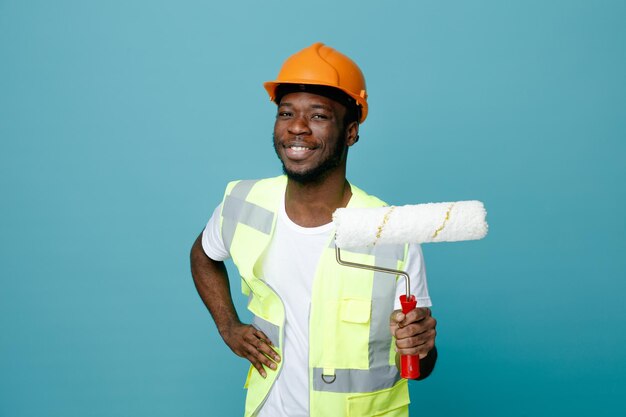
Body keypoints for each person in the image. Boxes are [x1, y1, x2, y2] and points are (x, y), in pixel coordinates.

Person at [190, 42, 437, 417]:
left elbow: (421, 362)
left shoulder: (390, 231)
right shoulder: (243, 202)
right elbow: (203, 256)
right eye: (286, 112)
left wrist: (420, 346)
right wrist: (228, 326)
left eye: (319, 116)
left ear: (351, 132)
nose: (297, 127)